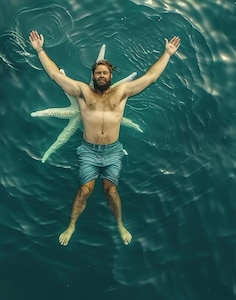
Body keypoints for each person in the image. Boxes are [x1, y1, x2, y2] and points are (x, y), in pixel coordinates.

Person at [29, 30, 181, 246]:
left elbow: (151, 77)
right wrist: (40, 50)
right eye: (97, 73)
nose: (101, 76)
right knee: (84, 190)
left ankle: (120, 224)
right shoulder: (82, 92)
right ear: (93, 76)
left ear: (111, 76)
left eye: (104, 73)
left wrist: (167, 54)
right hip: (89, 151)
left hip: (113, 151)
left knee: (111, 191)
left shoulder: (122, 92)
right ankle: (71, 225)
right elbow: (56, 75)